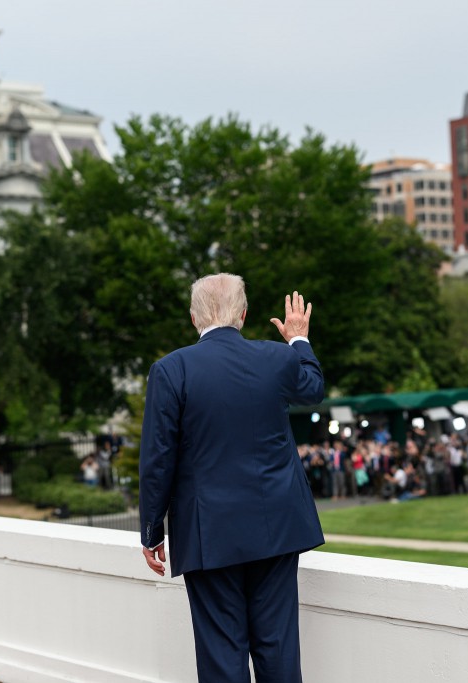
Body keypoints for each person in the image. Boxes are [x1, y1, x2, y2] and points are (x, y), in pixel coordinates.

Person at [139, 275, 324, 683]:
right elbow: (313, 388)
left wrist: (152, 530)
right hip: (276, 525)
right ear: (243, 314)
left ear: (193, 318)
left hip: (209, 533)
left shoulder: (171, 370)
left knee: (222, 655)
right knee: (278, 649)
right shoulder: (276, 358)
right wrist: (298, 340)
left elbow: (158, 459)